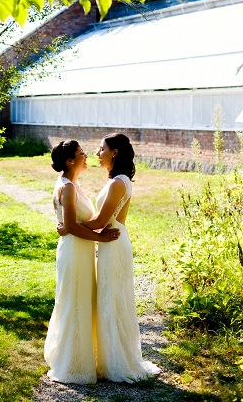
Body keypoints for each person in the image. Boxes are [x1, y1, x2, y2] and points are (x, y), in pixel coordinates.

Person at [80, 133, 160, 382]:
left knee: (113, 299)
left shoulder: (118, 183)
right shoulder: (117, 180)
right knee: (109, 298)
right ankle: (108, 357)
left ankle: (119, 361)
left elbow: (101, 221)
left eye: (101, 149)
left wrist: (71, 225)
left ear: (114, 152)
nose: (97, 153)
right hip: (111, 242)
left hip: (114, 244)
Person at [44, 139, 121, 384]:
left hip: (81, 250)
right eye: (81, 153)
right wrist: (101, 237)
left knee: (82, 301)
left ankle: (82, 356)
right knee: (75, 302)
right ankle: (73, 364)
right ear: (70, 161)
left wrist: (75, 228)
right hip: (74, 251)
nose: (86, 155)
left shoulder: (73, 184)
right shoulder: (67, 187)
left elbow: (71, 224)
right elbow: (71, 226)